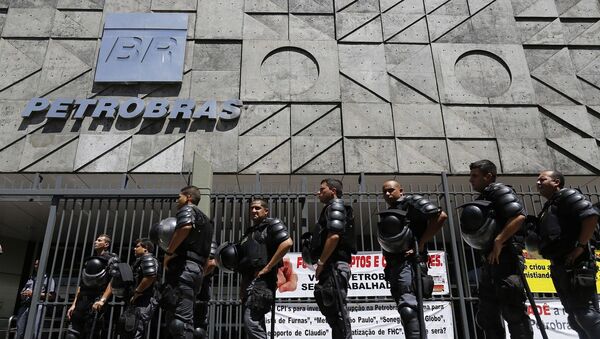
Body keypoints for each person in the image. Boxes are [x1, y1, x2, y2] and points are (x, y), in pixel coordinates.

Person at [461, 160, 533, 338]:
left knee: (513, 312)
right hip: (490, 263)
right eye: (471, 176)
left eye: (475, 176)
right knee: (486, 316)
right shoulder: (485, 197)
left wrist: (499, 241)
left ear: (489, 176)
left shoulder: (499, 190)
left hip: (506, 259)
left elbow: (519, 217)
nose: (471, 180)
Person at [534, 170, 600, 338]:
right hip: (560, 266)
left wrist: (580, 246)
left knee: (586, 314)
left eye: (543, 179)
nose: (538, 183)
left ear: (556, 182)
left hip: (577, 265)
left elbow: (591, 217)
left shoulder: (567, 195)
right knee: (575, 317)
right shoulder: (550, 206)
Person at [378, 180, 447, 338]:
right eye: (384, 192)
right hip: (395, 267)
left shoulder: (411, 202)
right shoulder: (392, 210)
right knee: (406, 312)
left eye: (391, 190)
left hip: (410, 264)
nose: (387, 194)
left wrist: (421, 244)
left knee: (408, 309)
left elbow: (440, 216)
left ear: (400, 191)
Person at [162, 185, 213, 339]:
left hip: (184, 267)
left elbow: (185, 227)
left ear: (189, 197)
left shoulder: (188, 210)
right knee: (182, 315)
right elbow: (209, 254)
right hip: (196, 270)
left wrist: (169, 252)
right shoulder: (207, 222)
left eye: (179, 197)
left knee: (180, 321)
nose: (177, 200)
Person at [238, 199, 293, 339]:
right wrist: (242, 289)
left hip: (263, 281)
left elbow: (287, 243)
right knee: (252, 323)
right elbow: (246, 262)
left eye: (257, 208)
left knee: (252, 321)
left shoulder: (272, 224)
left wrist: (268, 267)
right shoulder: (249, 232)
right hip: (250, 281)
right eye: (251, 208)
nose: (253, 211)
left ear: (266, 211)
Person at [311, 178, 356, 339]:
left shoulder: (336, 206)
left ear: (333, 191)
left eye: (322, 189)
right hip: (331, 267)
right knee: (332, 312)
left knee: (338, 312)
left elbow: (334, 236)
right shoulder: (330, 208)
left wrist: (321, 263)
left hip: (334, 266)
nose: (318, 192)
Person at [66, 234, 119, 339]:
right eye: (96, 240)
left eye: (99, 240)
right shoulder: (89, 260)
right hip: (82, 301)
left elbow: (113, 281)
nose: (95, 242)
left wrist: (102, 300)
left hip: (96, 301)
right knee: (72, 334)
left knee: (92, 333)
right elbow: (82, 284)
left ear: (106, 244)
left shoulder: (112, 260)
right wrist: (74, 304)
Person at [15, 259, 56, 339]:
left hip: (38, 307)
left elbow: (51, 296)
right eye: (35, 264)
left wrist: (33, 294)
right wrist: (22, 294)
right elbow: (24, 290)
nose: (35, 266)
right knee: (19, 332)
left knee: (34, 332)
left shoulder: (49, 279)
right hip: (25, 306)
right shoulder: (31, 278)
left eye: (38, 264)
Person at [129, 238, 159, 339]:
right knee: (133, 329)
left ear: (146, 249)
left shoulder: (148, 258)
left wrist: (137, 292)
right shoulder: (141, 261)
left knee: (136, 329)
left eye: (137, 247)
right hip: (140, 299)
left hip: (144, 299)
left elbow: (150, 276)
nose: (134, 249)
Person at [194, 240, 218, 339]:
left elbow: (212, 262)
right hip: (185, 288)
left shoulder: (208, 241)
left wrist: (198, 277)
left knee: (199, 328)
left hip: (201, 289)